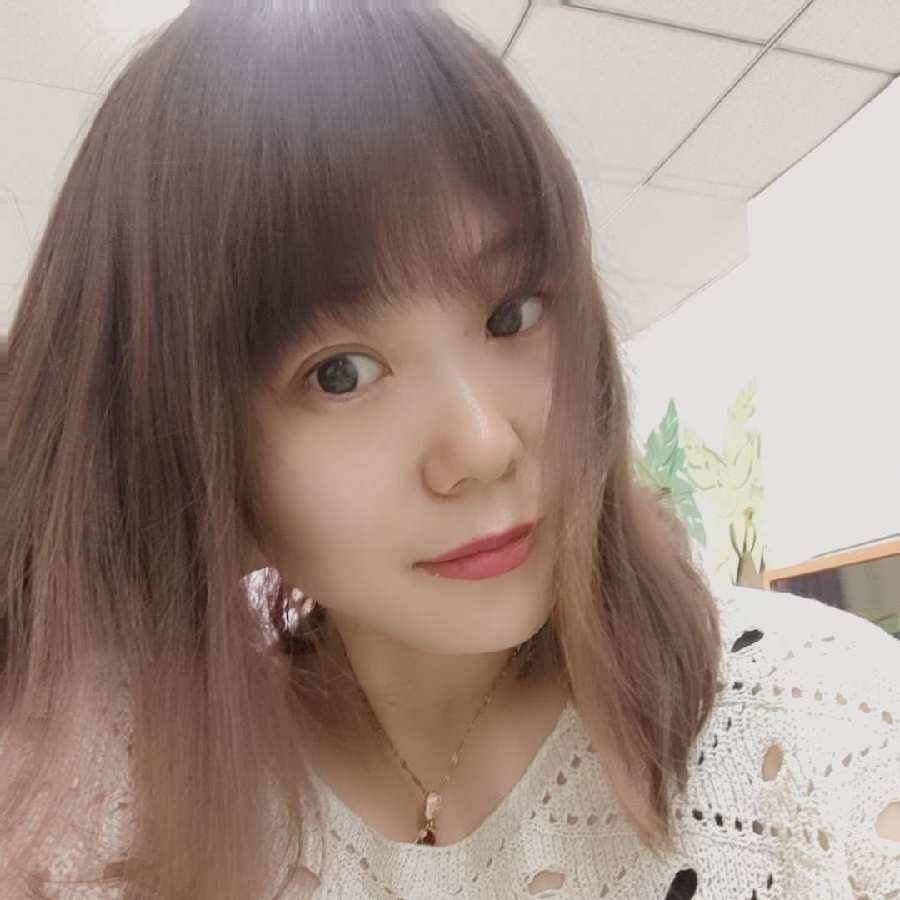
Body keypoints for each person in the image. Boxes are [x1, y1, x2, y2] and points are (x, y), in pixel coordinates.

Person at [1, 1, 897, 898]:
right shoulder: (89, 803)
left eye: (512, 314)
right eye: (340, 373)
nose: (484, 445)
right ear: (186, 441)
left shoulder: (824, 732)